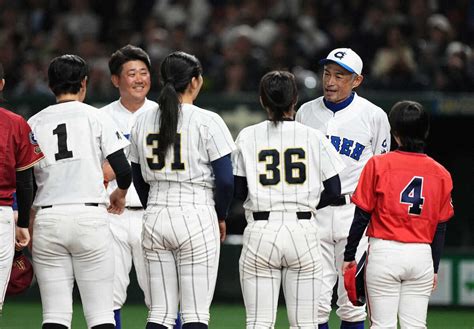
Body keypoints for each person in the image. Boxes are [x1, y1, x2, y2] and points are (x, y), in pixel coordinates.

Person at [129, 51, 235, 329]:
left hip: (155, 211)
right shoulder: (207, 120)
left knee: (160, 313)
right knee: (195, 313)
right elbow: (225, 180)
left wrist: (152, 203)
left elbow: (136, 175)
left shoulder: (142, 119)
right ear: (195, 81)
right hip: (196, 210)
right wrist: (221, 215)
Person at [232, 71, 346, 328]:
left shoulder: (247, 135)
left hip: (261, 229)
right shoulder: (314, 137)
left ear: (263, 100)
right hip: (303, 229)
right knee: (305, 323)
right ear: (295, 99)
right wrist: (305, 204)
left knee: (259, 322)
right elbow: (335, 188)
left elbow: (238, 191)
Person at [27, 54, 131, 329]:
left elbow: (25, 180)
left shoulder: (34, 123)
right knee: (100, 315)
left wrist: (27, 220)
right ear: (84, 83)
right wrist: (120, 194)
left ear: (50, 86)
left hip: (49, 218)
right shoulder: (97, 117)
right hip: (90, 218)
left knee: (55, 315)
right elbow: (124, 169)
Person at [295, 48, 391, 329]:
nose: (331, 81)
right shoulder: (305, 112)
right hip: (316, 212)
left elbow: (381, 171)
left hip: (355, 213)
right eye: (327, 73)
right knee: (314, 304)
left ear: (357, 80)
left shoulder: (374, 116)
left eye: (340, 75)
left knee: (352, 302)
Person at [342, 100, 454, 328]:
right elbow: (440, 227)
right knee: (415, 326)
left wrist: (349, 254)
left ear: (395, 133)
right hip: (421, 255)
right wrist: (434, 267)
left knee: (383, 325)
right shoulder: (442, 173)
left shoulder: (378, 164)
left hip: (385, 253)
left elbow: (362, 215)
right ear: (426, 131)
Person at [101, 44, 157, 329]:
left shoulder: (163, 113)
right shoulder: (101, 117)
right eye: (131, 73)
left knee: (162, 298)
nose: (139, 79)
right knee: (108, 297)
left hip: (153, 213)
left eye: (144, 72)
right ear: (115, 80)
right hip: (114, 215)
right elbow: (94, 170)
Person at [0, 63, 44, 314]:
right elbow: (25, 181)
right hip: (3, 214)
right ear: (2, 85)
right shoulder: (15, 123)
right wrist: (24, 223)